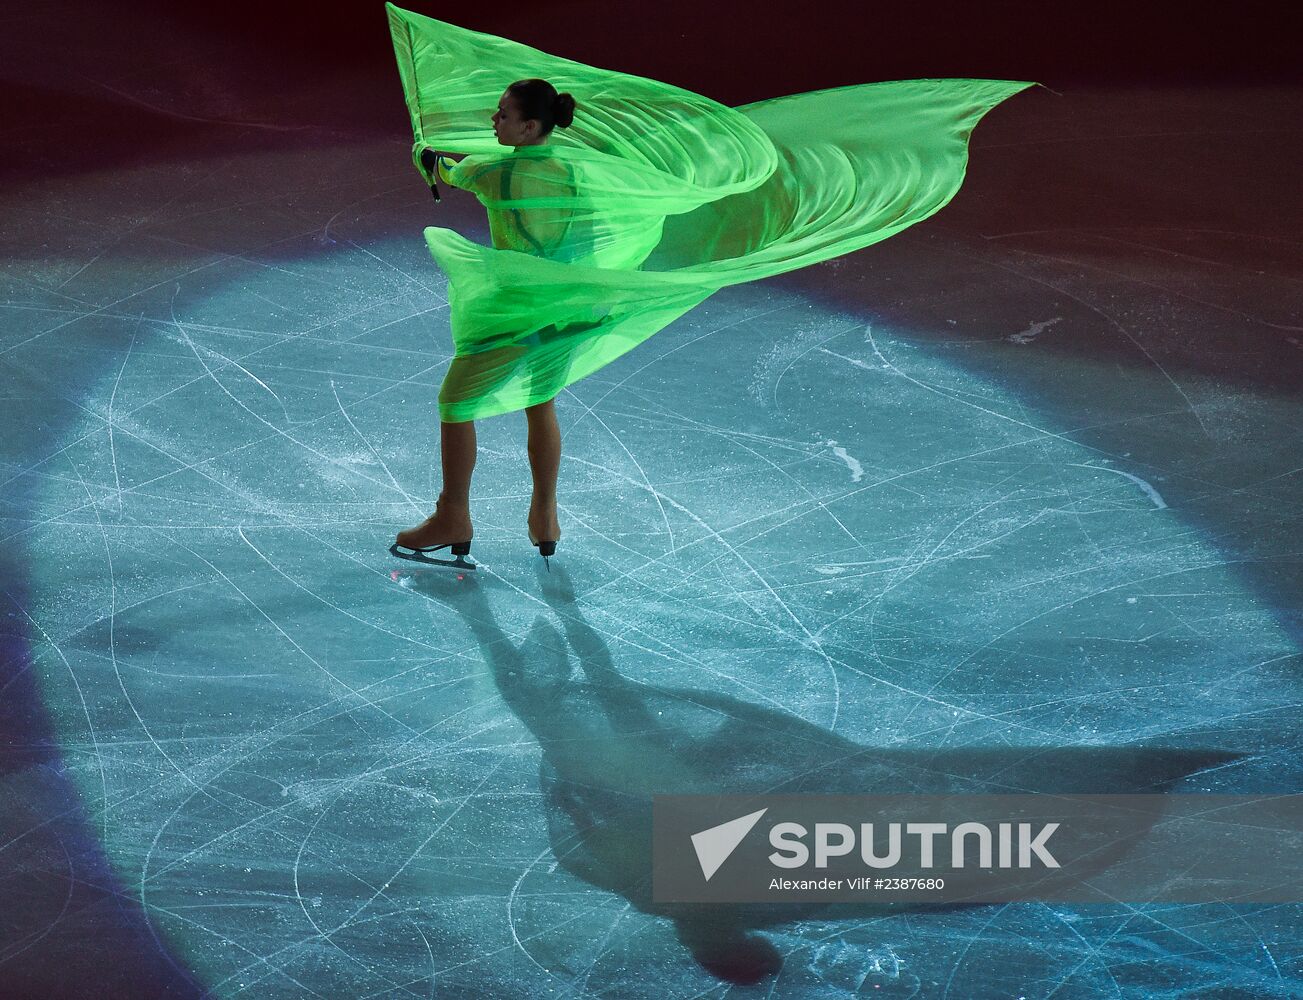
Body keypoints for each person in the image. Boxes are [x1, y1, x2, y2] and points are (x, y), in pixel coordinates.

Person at [395, 78, 579, 566]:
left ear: (530, 125)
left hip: (516, 310)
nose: (492, 121)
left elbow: (454, 173)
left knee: (455, 402)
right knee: (541, 402)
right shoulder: (569, 171)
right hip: (563, 309)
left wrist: (429, 161)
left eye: (502, 115)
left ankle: (452, 514)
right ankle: (545, 518)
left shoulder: (496, 172)